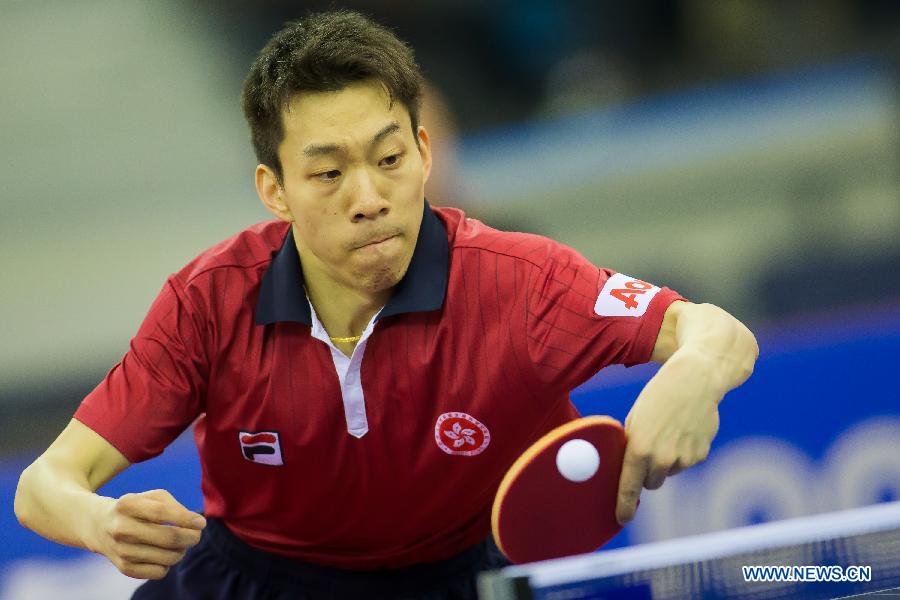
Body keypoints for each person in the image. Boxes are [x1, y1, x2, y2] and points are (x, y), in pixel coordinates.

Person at [14, 10, 759, 600]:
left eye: (389, 159)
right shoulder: (208, 303)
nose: (369, 199)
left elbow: (714, 330)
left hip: (458, 581)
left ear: (426, 153)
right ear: (275, 190)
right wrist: (102, 523)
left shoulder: (518, 281)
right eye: (329, 172)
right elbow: (43, 485)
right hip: (252, 582)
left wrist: (695, 370)